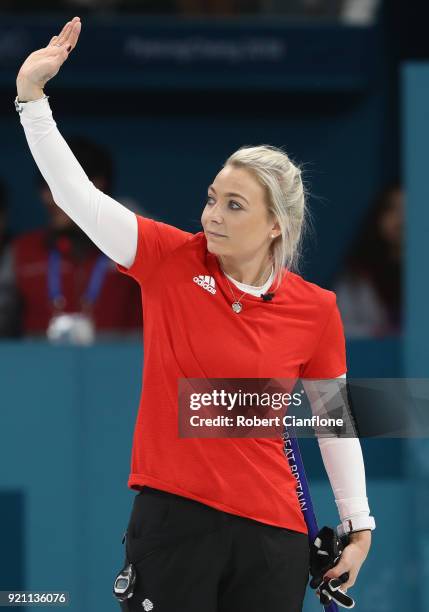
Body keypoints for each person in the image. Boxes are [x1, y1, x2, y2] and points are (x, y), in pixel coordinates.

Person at [15, 16, 374, 611]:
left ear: (275, 225)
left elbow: (334, 423)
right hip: (174, 520)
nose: (213, 214)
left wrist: (358, 522)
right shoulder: (167, 258)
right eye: (212, 198)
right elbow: (79, 198)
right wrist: (32, 100)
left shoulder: (316, 309)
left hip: (274, 536)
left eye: (235, 206)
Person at [10, 137, 142, 342]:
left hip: (123, 370)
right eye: (44, 185)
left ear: (97, 185)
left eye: (58, 186)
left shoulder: (134, 246)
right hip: (35, 370)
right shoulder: (22, 250)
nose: (47, 198)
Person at [333, 183, 402, 338]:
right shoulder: (357, 275)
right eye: (392, 209)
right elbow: (341, 328)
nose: (401, 218)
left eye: (409, 209)